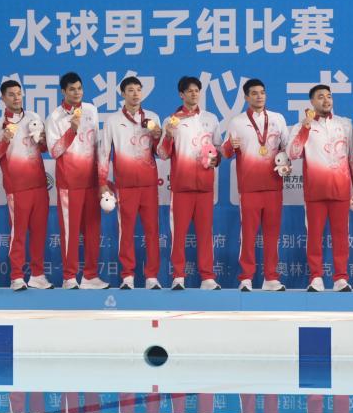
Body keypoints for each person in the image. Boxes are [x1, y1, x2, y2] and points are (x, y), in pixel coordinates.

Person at [287, 84, 353, 292]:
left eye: (329, 96)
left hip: (341, 190)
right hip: (315, 192)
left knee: (341, 236)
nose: (326, 100)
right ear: (312, 102)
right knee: (314, 237)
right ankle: (316, 277)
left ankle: (341, 278)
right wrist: (305, 128)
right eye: (320, 97)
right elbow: (293, 153)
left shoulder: (344, 124)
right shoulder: (302, 126)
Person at [221, 78, 290, 292]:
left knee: (272, 235)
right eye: (254, 93)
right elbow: (225, 153)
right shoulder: (237, 122)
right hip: (249, 187)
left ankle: (271, 277)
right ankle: (246, 278)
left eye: (262, 92)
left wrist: (286, 164)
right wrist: (229, 145)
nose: (259, 96)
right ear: (246, 97)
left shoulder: (278, 118)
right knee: (248, 235)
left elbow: (288, 149)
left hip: (273, 186)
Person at [157, 76, 223, 291]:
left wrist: (215, 159)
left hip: (205, 186)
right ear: (181, 94)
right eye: (190, 91)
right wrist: (168, 136)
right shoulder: (171, 121)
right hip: (182, 187)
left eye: (197, 90)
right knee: (179, 235)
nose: (194, 94)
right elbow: (163, 154)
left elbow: (218, 149)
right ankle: (178, 276)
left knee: (205, 234)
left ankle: (207, 277)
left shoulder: (210, 119)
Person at [0, 80, 52, 291]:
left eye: (18, 93)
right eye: (11, 94)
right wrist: (4, 140)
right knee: (19, 235)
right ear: (3, 98)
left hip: (39, 186)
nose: (16, 98)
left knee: (39, 233)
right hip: (17, 189)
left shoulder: (33, 118)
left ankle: (38, 275)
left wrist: (42, 140)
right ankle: (16, 276)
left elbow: (44, 149)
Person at [98, 76, 163, 290]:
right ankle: (127, 275)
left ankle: (152, 276)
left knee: (152, 231)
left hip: (149, 184)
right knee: (125, 231)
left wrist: (158, 136)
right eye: (131, 90)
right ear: (123, 94)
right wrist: (102, 182)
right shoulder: (113, 121)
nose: (135, 94)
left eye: (138, 90)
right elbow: (104, 152)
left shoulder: (153, 117)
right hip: (125, 186)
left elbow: (161, 153)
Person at [45, 72, 108, 289]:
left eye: (79, 88)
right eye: (72, 89)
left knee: (92, 231)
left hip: (91, 182)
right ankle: (69, 277)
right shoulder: (54, 118)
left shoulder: (91, 110)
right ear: (63, 91)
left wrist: (102, 179)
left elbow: (98, 144)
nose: (77, 92)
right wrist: (71, 130)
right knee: (70, 233)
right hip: (69, 185)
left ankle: (90, 276)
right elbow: (54, 151)